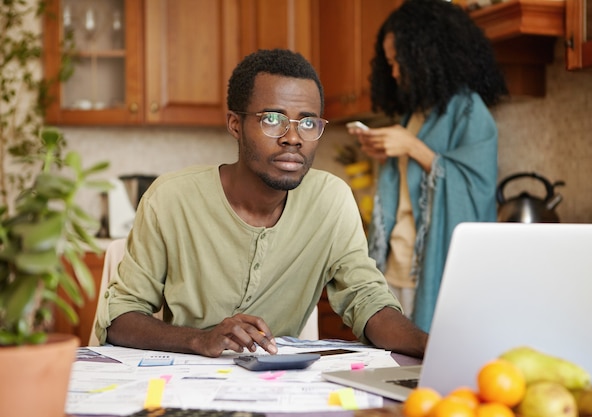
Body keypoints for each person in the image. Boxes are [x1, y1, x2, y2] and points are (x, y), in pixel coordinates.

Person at [95, 48, 428, 358]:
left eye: (308, 122)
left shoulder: (331, 200)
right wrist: (200, 338)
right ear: (235, 125)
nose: (293, 137)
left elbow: (368, 301)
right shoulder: (170, 198)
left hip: (280, 388)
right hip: (186, 385)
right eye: (273, 119)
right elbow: (121, 317)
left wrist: (433, 347)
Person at [348, 0, 508, 333]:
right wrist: (387, 154)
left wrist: (410, 146)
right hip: (395, 264)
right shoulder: (415, 113)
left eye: (399, 63)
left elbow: (476, 187)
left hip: (432, 270)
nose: (393, 73)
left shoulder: (468, 110)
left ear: (425, 56)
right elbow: (416, 179)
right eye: (389, 63)